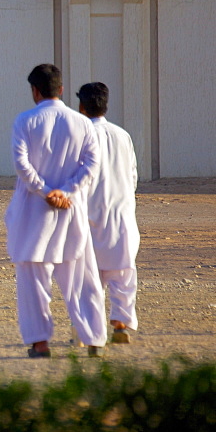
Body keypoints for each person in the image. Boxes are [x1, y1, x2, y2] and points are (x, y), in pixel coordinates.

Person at [5, 64, 108, 357]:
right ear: (61, 89)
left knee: (33, 282)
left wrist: (44, 191)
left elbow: (21, 164)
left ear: (35, 91)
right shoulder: (83, 123)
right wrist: (66, 191)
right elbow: (91, 164)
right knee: (82, 280)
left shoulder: (25, 121)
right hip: (70, 211)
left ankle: (40, 343)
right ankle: (94, 340)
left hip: (33, 214)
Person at [77, 82, 140, 344]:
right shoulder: (122, 135)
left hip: (88, 213)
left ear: (81, 106)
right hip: (122, 212)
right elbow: (133, 175)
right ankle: (121, 324)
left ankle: (88, 330)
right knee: (123, 271)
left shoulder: (79, 135)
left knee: (88, 276)